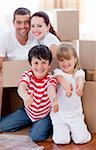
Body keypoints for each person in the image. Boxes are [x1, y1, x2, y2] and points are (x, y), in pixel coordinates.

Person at [0, 44, 59, 141]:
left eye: (43, 62)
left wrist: (54, 100)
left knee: (36, 137)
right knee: (2, 126)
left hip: (43, 115)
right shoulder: (28, 74)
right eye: (36, 63)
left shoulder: (50, 79)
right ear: (30, 64)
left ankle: (44, 127)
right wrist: (26, 97)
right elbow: (21, 87)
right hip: (27, 112)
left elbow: (51, 90)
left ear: (49, 65)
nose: (40, 67)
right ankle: (28, 122)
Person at [50, 42, 91, 144]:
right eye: (61, 60)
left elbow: (80, 79)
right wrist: (67, 88)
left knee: (82, 140)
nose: (65, 63)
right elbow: (61, 80)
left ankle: (75, 131)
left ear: (75, 59)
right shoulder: (57, 72)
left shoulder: (79, 72)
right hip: (60, 115)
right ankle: (65, 131)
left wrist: (79, 88)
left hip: (75, 114)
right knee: (61, 140)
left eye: (68, 59)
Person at [0, 7, 34, 116]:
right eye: (19, 22)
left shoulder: (36, 36)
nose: (23, 26)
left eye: (26, 22)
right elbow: (0, 64)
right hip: (12, 77)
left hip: (32, 76)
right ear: (13, 23)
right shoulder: (6, 38)